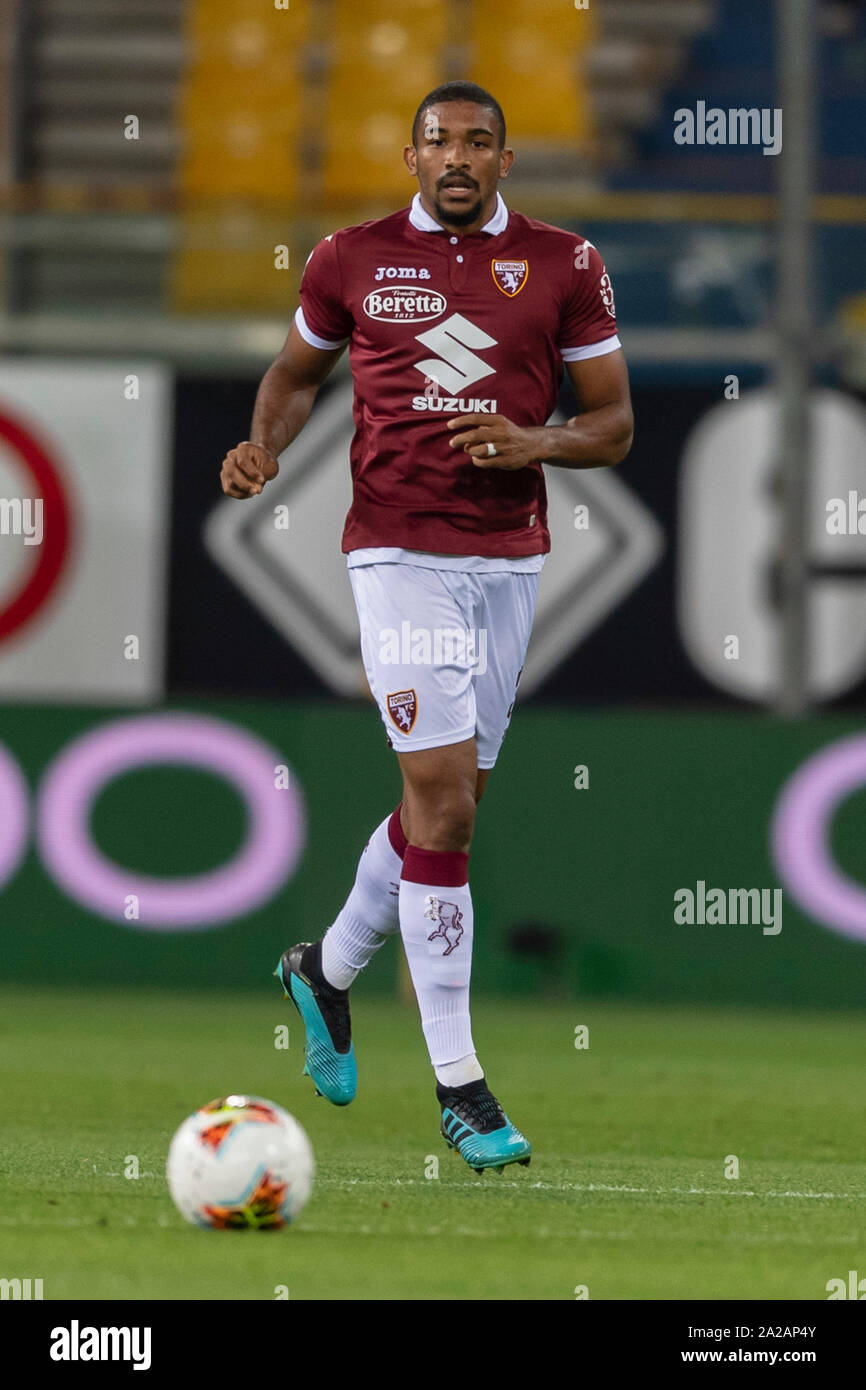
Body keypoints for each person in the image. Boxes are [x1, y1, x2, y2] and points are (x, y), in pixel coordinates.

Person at [219, 81, 633, 1174]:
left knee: (439, 805)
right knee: (444, 800)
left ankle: (324, 968)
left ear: (505, 159)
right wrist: (264, 443)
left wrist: (533, 444)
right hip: (394, 552)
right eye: (438, 140)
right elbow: (294, 375)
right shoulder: (346, 258)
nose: (456, 156)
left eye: (477, 142)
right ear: (409, 154)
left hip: (509, 562)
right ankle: (460, 1086)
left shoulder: (564, 264)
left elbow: (613, 424)